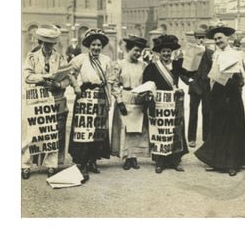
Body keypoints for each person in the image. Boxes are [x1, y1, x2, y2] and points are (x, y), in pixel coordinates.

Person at [194, 23, 245, 176]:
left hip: (232, 95)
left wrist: (233, 79)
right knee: (217, 127)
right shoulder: (215, 54)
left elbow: (241, 77)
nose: (218, 41)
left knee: (232, 129)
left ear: (227, 38)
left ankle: (232, 163)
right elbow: (212, 75)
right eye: (216, 39)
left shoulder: (236, 54)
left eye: (220, 38)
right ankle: (215, 161)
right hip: (218, 94)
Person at [67, 29, 120, 183]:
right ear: (88, 46)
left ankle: (92, 160)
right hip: (84, 97)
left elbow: (111, 79)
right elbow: (69, 73)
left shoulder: (107, 60)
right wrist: (76, 86)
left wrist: (111, 97)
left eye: (99, 45)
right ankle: (82, 161)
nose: (96, 47)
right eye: (93, 45)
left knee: (98, 130)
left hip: (100, 97)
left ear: (102, 46)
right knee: (83, 129)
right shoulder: (80, 59)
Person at [22, 27, 72, 179]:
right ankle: (25, 164)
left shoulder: (60, 58)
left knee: (52, 132)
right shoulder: (32, 57)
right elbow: (27, 76)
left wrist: (58, 85)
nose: (49, 46)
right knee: (32, 132)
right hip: (36, 98)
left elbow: (68, 78)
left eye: (52, 44)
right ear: (41, 42)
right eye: (46, 43)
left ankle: (51, 164)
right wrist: (44, 77)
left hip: (54, 98)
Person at [142, 35, 190, 173]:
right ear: (159, 53)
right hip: (159, 104)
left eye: (168, 51)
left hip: (173, 104)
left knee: (175, 131)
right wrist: (150, 98)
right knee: (159, 132)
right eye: (163, 51)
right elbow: (147, 84)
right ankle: (159, 161)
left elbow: (188, 75)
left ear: (172, 52)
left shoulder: (177, 65)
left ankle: (175, 161)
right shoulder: (152, 67)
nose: (166, 54)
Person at [111, 36, 151, 169]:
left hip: (139, 98)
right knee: (125, 128)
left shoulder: (144, 65)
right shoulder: (120, 64)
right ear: (128, 49)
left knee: (137, 129)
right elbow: (115, 84)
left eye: (140, 51)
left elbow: (148, 83)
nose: (138, 54)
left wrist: (146, 97)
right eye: (135, 50)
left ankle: (134, 157)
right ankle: (126, 157)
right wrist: (119, 100)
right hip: (125, 97)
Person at [187, 25, 214, 148]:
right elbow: (184, 70)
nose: (201, 40)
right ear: (195, 38)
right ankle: (191, 138)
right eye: (198, 38)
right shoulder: (191, 52)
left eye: (202, 38)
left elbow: (214, 69)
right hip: (194, 87)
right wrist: (189, 80)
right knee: (193, 113)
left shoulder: (210, 53)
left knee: (207, 112)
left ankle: (206, 137)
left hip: (207, 87)